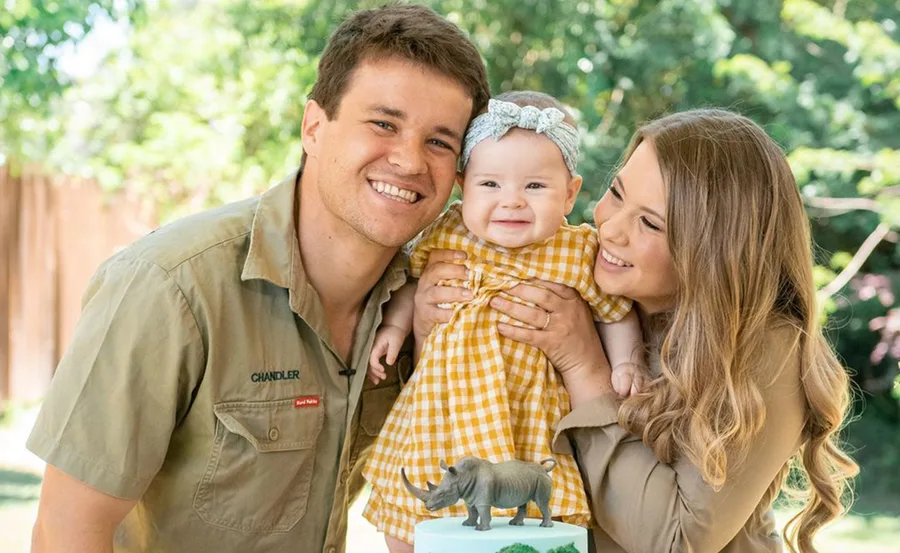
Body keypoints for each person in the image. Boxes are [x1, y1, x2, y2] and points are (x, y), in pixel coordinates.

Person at [25, 5, 490, 552]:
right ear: (314, 128)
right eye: (383, 124)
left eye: (440, 141)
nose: (411, 162)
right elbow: (67, 531)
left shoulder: (435, 300)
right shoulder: (169, 286)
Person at [415, 108, 858, 553]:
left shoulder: (763, 347)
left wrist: (584, 367)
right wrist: (425, 322)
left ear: (714, 254)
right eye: (616, 192)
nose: (610, 227)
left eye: (649, 223)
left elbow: (677, 540)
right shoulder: (580, 289)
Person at [362, 91, 647, 550]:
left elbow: (615, 313)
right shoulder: (447, 232)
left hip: (526, 415)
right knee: (412, 521)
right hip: (439, 409)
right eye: (490, 185)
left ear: (570, 192)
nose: (511, 202)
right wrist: (395, 327)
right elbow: (413, 288)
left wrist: (627, 362)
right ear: (462, 186)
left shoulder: (576, 251)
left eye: (535, 187)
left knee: (531, 526)